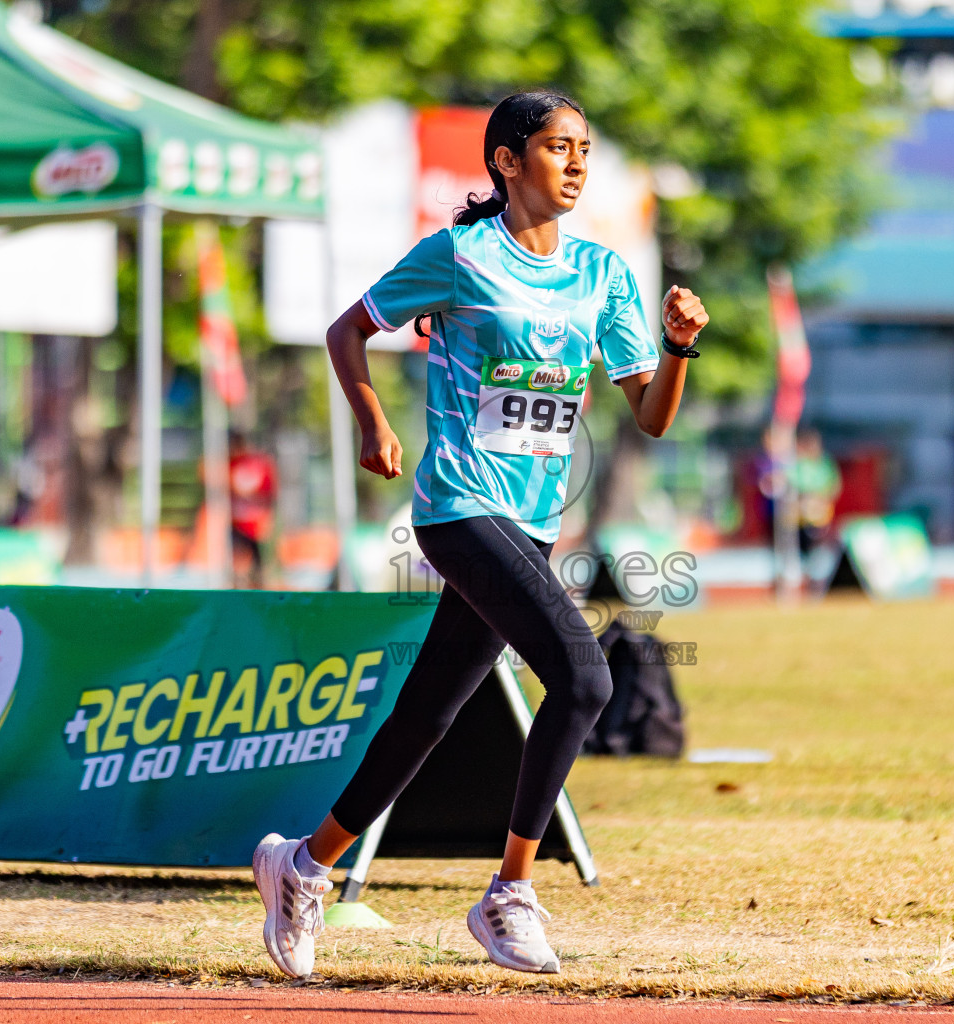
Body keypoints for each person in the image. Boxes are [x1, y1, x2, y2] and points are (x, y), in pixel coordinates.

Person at [251, 91, 709, 979]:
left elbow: (649, 417)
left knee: (429, 712)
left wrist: (679, 348)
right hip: (458, 507)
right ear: (506, 161)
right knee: (583, 676)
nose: (576, 164)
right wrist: (371, 420)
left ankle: (302, 866)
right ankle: (509, 893)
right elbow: (349, 329)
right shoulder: (459, 256)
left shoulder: (605, 275)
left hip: (532, 522)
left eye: (584, 149)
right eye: (555, 148)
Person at [227, 430, 276, 588]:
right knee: (238, 562)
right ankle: (239, 590)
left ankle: (258, 590)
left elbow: (268, 495)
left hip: (255, 525)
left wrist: (266, 518)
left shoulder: (258, 465)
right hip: (237, 523)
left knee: (259, 565)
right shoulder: (230, 464)